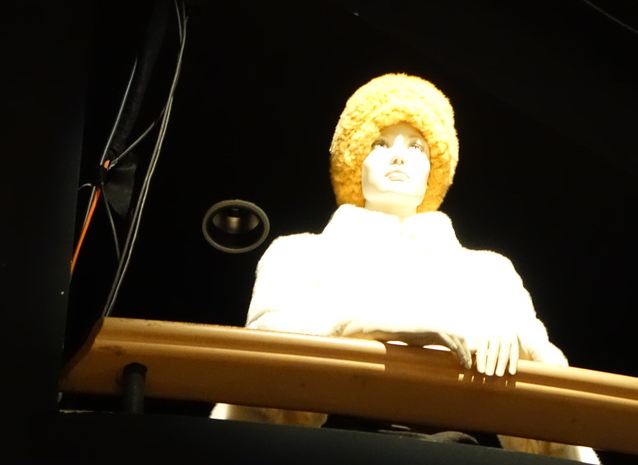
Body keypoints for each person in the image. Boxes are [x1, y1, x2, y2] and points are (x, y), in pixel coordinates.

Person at [212, 73, 599, 462]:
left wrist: (519, 347)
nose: (398, 156)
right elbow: (267, 364)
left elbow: (549, 409)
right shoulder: (298, 254)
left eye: (416, 147)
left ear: (433, 169)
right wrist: (371, 325)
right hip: (331, 446)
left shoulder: (488, 274)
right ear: (356, 161)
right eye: (379, 143)